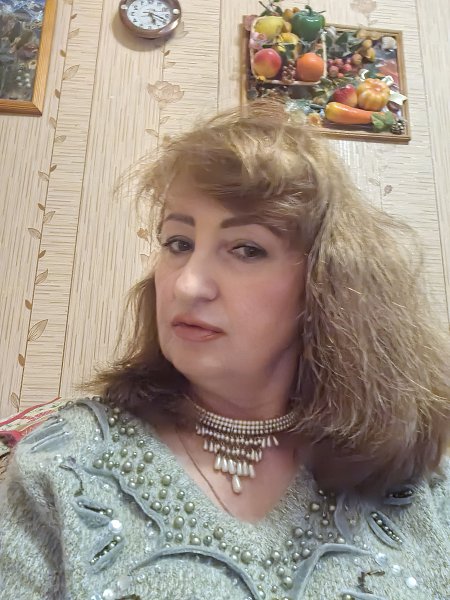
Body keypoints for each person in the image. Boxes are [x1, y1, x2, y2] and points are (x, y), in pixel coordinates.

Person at [0, 100, 449, 600]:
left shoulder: (417, 478)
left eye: (246, 249)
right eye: (178, 243)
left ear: (325, 285)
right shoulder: (64, 464)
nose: (187, 285)